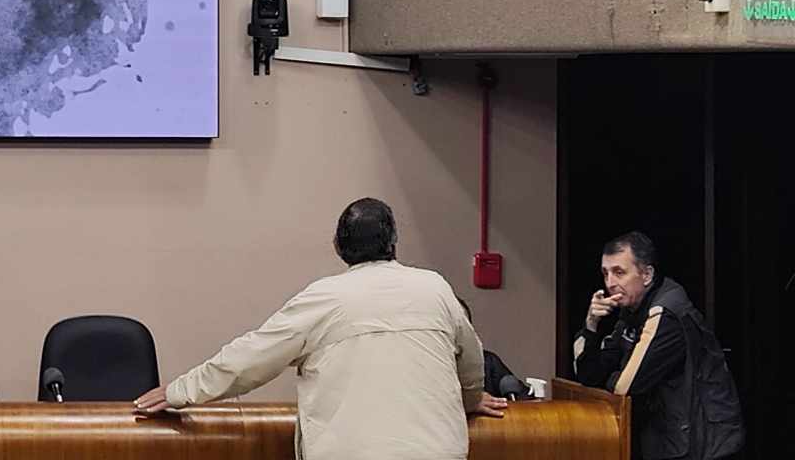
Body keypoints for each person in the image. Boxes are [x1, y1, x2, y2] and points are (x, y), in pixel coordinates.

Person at [134, 198, 506, 460]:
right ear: (393, 243)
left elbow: (252, 357)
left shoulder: (325, 297)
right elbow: (471, 360)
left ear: (338, 246)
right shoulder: (435, 288)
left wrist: (182, 390)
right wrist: (471, 399)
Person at [573, 232, 744, 460]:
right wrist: (591, 323)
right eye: (606, 273)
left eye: (619, 272)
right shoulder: (631, 311)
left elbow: (625, 387)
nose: (610, 283)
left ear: (647, 275)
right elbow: (588, 375)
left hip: (705, 444)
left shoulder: (666, 311)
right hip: (670, 438)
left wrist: (612, 377)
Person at [458, 298, 528, 399]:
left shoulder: (488, 361)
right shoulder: (434, 366)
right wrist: (471, 401)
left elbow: (523, 398)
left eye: (463, 326)